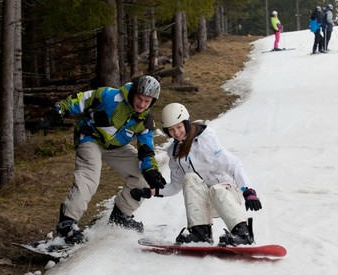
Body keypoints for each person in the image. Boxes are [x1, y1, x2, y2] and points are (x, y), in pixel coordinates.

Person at [39, 75, 167, 245]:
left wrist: (151, 170)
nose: (142, 104)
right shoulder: (110, 96)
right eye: (140, 98)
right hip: (90, 137)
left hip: (115, 147)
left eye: (147, 101)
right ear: (133, 93)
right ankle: (67, 224)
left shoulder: (145, 120)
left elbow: (146, 149)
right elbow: (82, 100)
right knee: (90, 175)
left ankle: (121, 215)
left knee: (142, 175)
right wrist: (57, 112)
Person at [130, 103, 263, 246]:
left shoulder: (206, 140)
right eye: (171, 130)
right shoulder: (174, 152)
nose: (176, 132)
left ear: (186, 123)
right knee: (189, 177)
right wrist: (150, 192)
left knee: (216, 189)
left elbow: (234, 164)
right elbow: (176, 185)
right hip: (204, 202)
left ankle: (243, 233)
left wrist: (248, 191)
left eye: (179, 127)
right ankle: (201, 233)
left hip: (226, 195)